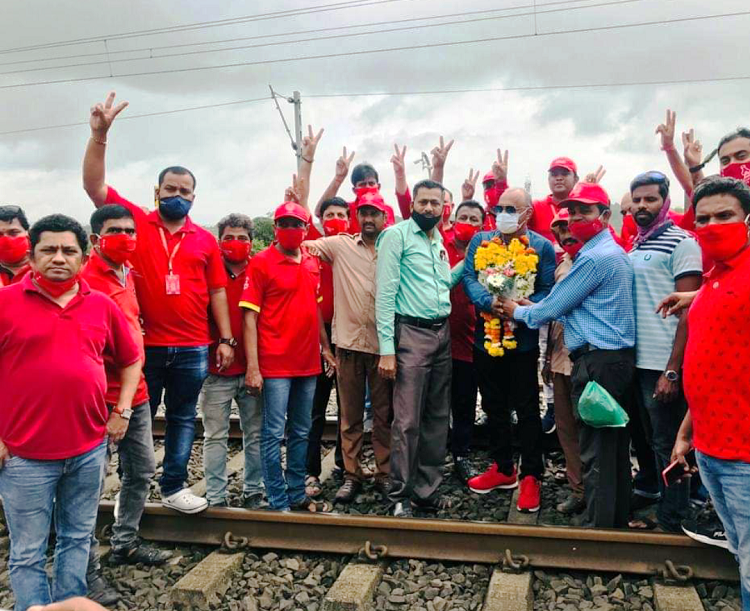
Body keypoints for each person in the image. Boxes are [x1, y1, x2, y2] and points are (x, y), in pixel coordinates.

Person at [82, 91, 234, 514]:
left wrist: (225, 339)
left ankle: (172, 487)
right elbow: (95, 187)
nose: (178, 195)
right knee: (132, 421)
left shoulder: (204, 240)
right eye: (171, 188)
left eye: (185, 191)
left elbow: (218, 292)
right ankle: (126, 493)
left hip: (191, 347)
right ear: (157, 191)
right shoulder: (134, 224)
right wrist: (100, 136)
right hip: (141, 348)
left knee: (184, 417)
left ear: (194, 198)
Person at [0, 214, 141, 611]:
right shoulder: (5, 303)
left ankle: (68, 603)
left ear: (83, 258)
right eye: (48, 249)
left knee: (78, 537)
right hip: (25, 457)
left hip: (88, 450)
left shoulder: (100, 305)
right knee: (27, 550)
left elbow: (131, 361)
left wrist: (123, 410)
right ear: (31, 256)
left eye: (68, 251)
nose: (58, 258)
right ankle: (32, 606)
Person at [500, 182, 636, 528]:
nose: (576, 218)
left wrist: (517, 310)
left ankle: (600, 527)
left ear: (605, 216)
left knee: (597, 448)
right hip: (611, 359)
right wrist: (540, 306)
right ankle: (614, 518)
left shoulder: (592, 258)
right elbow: (577, 307)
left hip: (596, 362)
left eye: (585, 211)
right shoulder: (609, 251)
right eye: (572, 211)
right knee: (613, 445)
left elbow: (553, 308)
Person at [81, 205, 171, 606]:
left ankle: (125, 541)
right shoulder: (85, 281)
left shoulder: (127, 273)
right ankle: (86, 575)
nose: (126, 236)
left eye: (130, 230)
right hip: (97, 398)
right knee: (88, 487)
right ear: (95, 238)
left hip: (135, 393)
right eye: (115, 230)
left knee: (141, 471)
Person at [671, 177, 750, 608]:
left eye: (725, 216)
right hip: (710, 447)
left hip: (745, 456)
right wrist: (687, 432)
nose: (712, 225)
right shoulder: (713, 279)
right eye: (703, 219)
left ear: (748, 221)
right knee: (741, 550)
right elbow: (711, 369)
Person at [376, 179, 464, 518]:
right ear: (412, 204)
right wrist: (387, 350)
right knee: (407, 420)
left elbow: (441, 285)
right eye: (423, 202)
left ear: (444, 207)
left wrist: (468, 265)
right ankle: (399, 494)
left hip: (441, 334)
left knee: (437, 418)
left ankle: (426, 491)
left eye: (435, 203)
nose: (429, 208)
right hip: (410, 334)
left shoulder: (439, 242)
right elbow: (385, 295)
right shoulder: (396, 237)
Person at [463, 188, 556, 512]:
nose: (503, 213)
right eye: (499, 208)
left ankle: (532, 473)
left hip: (522, 340)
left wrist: (523, 306)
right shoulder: (481, 241)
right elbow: (469, 277)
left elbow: (547, 290)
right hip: (485, 337)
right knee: (493, 404)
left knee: (527, 407)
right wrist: (489, 302)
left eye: (511, 208)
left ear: (527, 213)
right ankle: (503, 468)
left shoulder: (542, 247)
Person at [241, 202, 336, 512]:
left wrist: (325, 348)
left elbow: (316, 310)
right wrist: (253, 368)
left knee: (301, 430)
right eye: (285, 223)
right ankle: (277, 497)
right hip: (275, 363)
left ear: (306, 228)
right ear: (276, 227)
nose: (291, 229)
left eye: (297, 224)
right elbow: (249, 318)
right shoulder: (260, 263)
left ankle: (297, 492)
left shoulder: (311, 263)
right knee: (272, 432)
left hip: (307, 363)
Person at [306, 191, 393, 502]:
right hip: (348, 346)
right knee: (350, 417)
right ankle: (352, 475)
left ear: (385, 217)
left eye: (375, 213)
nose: (368, 219)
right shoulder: (340, 245)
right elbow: (303, 242)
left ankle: (384, 473)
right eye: (363, 213)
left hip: (384, 348)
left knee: (384, 416)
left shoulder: (395, 247)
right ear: (358, 217)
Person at [627, 171, 702, 532]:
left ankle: (674, 519)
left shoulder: (682, 242)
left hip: (663, 362)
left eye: (650, 199)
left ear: (665, 200)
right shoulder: (637, 244)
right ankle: (658, 494)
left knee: (668, 442)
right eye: (637, 199)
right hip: (637, 360)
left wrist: (672, 369)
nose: (642, 206)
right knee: (646, 437)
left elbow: (687, 310)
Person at [198, 213, 266, 509]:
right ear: (219, 240)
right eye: (229, 237)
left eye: (242, 238)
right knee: (215, 437)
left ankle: (254, 491)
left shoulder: (260, 269)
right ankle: (216, 496)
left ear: (251, 243)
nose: (235, 243)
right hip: (216, 372)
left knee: (256, 435)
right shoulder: (207, 272)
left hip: (253, 369)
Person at [545, 209, 585, 515]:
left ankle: (597, 488)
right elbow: (555, 316)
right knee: (566, 427)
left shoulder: (593, 262)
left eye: (569, 226)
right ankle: (578, 488)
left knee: (590, 427)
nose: (565, 233)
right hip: (560, 357)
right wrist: (547, 357)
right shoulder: (563, 265)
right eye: (559, 229)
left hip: (586, 360)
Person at [446, 200, 485, 483]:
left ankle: (461, 454)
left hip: (471, 341)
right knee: (435, 404)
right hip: (437, 340)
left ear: (483, 226)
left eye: (474, 219)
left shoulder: (487, 252)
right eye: (463, 217)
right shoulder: (437, 245)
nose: (467, 223)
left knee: (465, 402)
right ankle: (433, 455)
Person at [0, 205, 31, 286]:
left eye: (13, 232)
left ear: (27, 234)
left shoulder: (45, 268)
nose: (6, 239)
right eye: (0, 235)